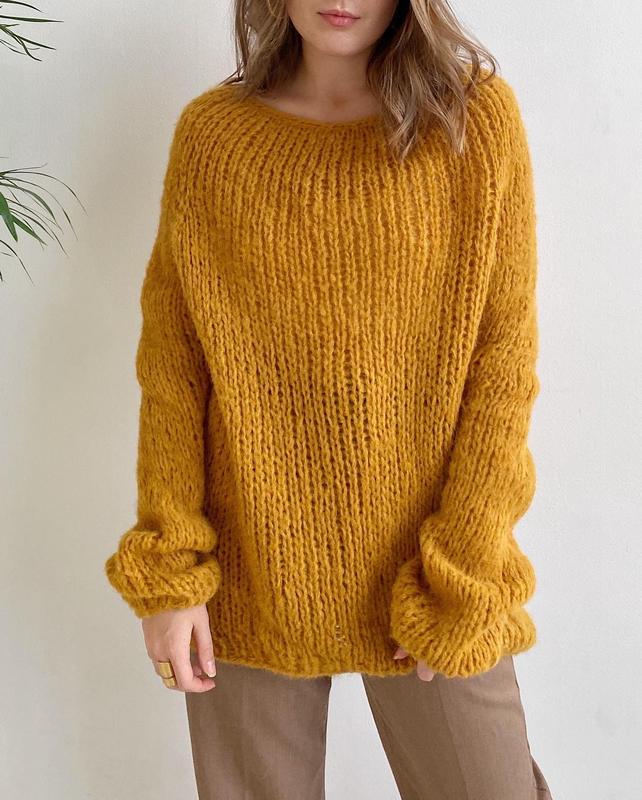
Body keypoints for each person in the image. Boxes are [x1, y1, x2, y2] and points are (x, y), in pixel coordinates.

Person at [104, 1, 555, 797]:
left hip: (435, 572)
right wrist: (171, 574)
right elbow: (175, 368)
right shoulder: (214, 138)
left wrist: (463, 568)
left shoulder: (472, 121)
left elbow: (503, 365)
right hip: (248, 568)